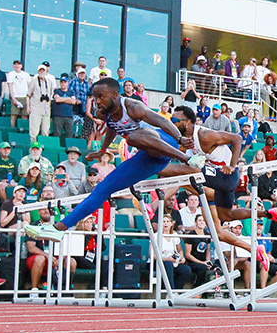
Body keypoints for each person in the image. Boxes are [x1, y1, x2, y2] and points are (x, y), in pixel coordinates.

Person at [23, 78, 197, 241]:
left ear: (115, 95)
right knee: (101, 189)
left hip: (166, 141)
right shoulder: (106, 113)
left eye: (101, 97)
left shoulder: (133, 106)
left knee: (133, 137)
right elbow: (113, 128)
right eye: (95, 97)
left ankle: (186, 159)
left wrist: (180, 141)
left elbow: (162, 122)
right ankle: (58, 229)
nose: (97, 101)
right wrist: (103, 150)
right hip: (150, 158)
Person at [157, 106, 277, 270]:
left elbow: (236, 138)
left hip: (226, 176)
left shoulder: (204, 135)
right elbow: (175, 154)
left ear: (187, 122)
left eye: (176, 121)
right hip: (215, 185)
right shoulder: (184, 140)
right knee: (220, 225)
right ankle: (264, 223)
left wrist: (233, 166)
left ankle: (146, 172)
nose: (173, 124)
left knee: (183, 173)